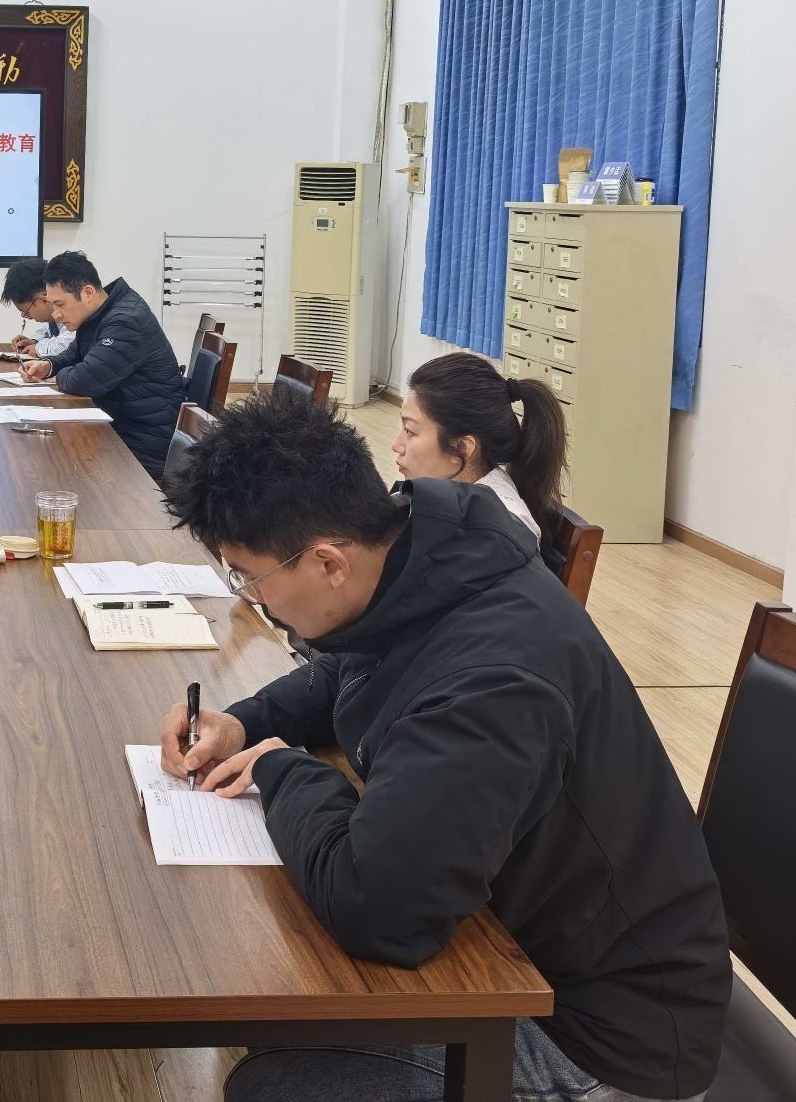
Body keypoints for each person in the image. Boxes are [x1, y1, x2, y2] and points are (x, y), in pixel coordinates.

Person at [158, 390, 728, 1102]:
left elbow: (379, 911)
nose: (253, 597)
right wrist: (244, 722)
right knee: (275, 1000)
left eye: (251, 577)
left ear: (329, 562)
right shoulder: (420, 553)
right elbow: (351, 665)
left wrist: (281, 768)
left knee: (279, 1081)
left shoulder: (492, 681)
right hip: (523, 945)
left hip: (600, 1039)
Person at [22, 251, 183, 478]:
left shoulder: (125, 321)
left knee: (54, 466)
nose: (56, 314)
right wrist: (48, 366)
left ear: (87, 293)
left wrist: (59, 376)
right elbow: (74, 355)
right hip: (120, 426)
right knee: (48, 456)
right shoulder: (101, 313)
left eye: (60, 304)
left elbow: (83, 380)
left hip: (143, 444)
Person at [392, 351, 568, 546]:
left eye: (409, 431)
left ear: (462, 447)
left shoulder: (493, 537)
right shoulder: (454, 500)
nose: (396, 446)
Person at [0, 256, 75, 360]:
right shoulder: (54, 317)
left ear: (43, 300)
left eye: (26, 312)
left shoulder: (73, 311)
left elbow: (66, 345)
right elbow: (48, 331)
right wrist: (34, 341)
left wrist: (37, 348)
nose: (28, 317)